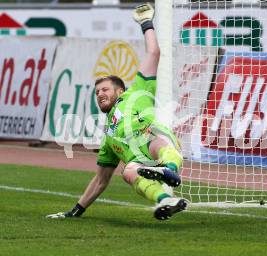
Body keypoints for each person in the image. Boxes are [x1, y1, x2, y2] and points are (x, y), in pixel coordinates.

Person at [47, 3, 187, 221]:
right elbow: (100, 181)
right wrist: (76, 210)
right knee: (128, 171)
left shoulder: (137, 91)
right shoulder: (109, 139)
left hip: (155, 142)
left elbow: (154, 52)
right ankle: (165, 200)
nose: (100, 94)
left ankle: (168, 171)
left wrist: (146, 23)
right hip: (142, 164)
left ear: (120, 90)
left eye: (104, 89)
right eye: (96, 92)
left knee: (156, 137)